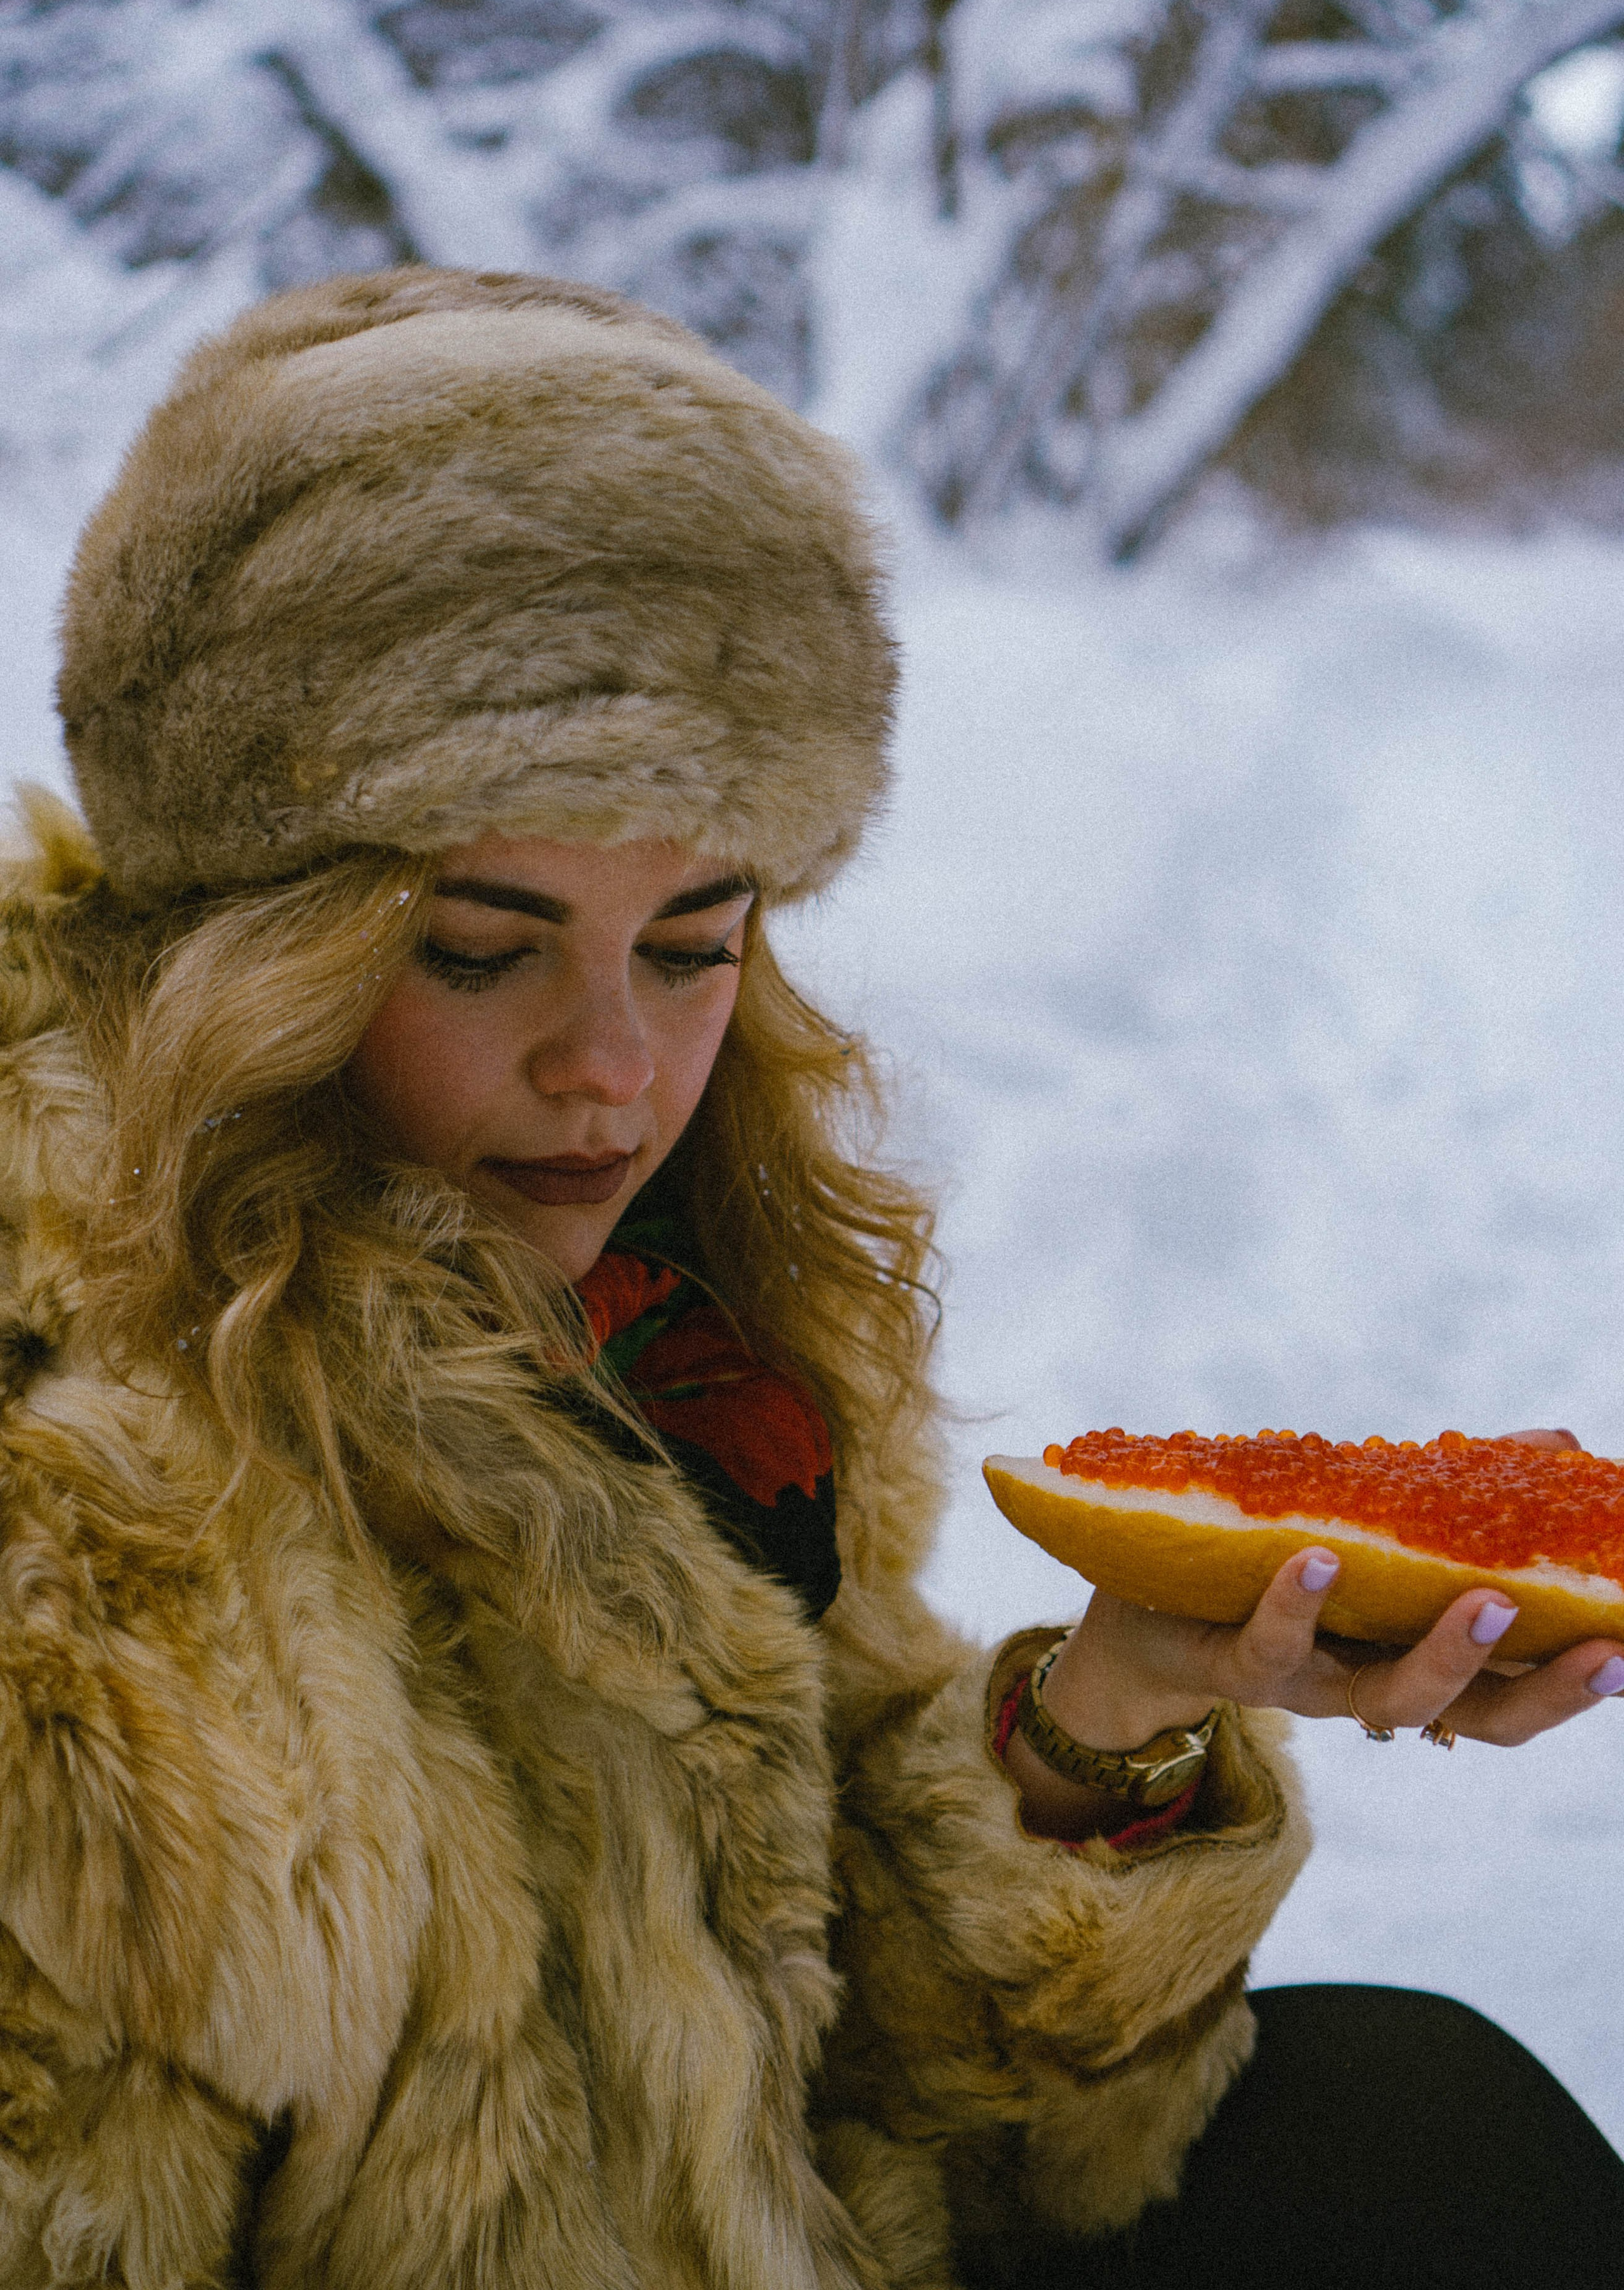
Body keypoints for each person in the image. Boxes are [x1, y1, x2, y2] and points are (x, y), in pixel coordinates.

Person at [0, 265, 1618, 2289]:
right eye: (481, 946)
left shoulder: (673, 1341)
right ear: (249, 950)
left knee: (1412, 2118)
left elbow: (841, 2081)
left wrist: (1107, 1730)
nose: (614, 1069)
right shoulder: (74, 1527)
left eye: (694, 944)